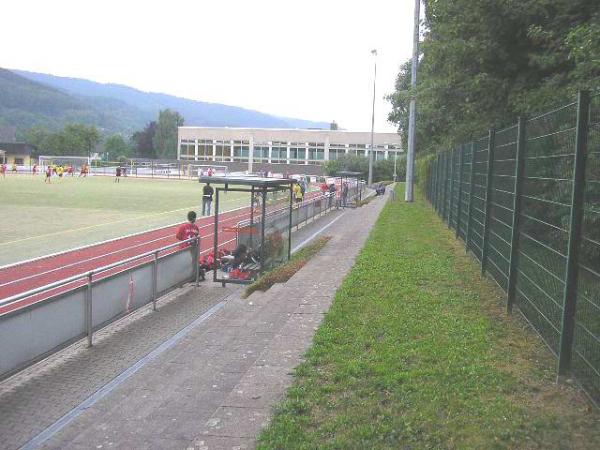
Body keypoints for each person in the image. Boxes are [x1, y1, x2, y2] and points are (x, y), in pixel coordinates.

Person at [176, 211, 204, 280]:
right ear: (195, 218)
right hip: (193, 249)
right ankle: (192, 277)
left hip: (184, 248)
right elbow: (197, 236)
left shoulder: (183, 227)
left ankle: (182, 278)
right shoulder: (196, 227)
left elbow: (178, 236)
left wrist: (184, 240)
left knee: (183, 264)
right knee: (193, 263)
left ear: (188, 218)